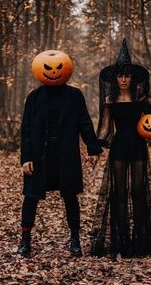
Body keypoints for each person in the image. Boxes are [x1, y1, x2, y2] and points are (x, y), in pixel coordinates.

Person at [90, 39, 151, 259]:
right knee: (119, 194)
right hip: (119, 146)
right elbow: (105, 128)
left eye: (127, 75)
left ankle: (141, 243)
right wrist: (96, 147)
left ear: (132, 78)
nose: (124, 79)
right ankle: (122, 243)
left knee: (138, 192)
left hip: (138, 147)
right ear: (116, 78)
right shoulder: (110, 99)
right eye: (120, 75)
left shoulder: (141, 98)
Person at [18, 50, 102, 258]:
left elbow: (84, 123)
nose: (53, 71)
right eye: (48, 68)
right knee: (30, 197)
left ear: (66, 69)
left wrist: (92, 149)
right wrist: (26, 157)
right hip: (39, 156)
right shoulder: (34, 97)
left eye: (58, 68)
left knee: (70, 197)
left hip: (66, 155)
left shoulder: (75, 96)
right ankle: (25, 241)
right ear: (40, 69)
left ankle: (75, 240)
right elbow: (26, 129)